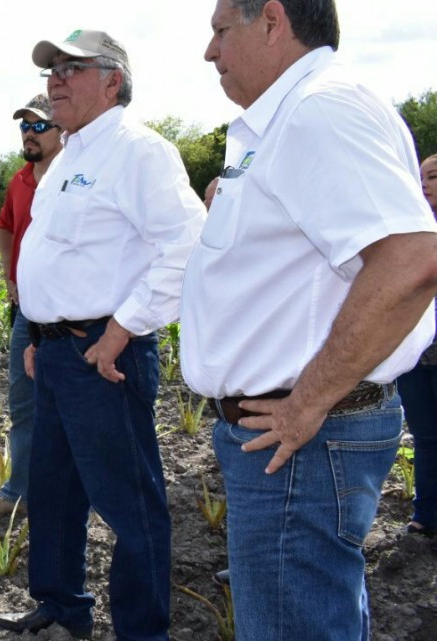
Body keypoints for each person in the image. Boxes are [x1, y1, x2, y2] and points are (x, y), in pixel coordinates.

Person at [182, 2, 437, 639]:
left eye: (219, 32)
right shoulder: (286, 118)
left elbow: (409, 260)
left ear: (271, 19)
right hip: (295, 442)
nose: (209, 53)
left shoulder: (319, 109)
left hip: (299, 441)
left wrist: (307, 402)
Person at [0, 30, 205, 640]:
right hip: (56, 352)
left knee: (129, 502)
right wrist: (38, 333)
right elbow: (57, 258)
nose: (54, 80)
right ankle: (61, 607)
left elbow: (187, 244)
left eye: (71, 68)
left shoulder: (139, 151)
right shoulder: (70, 158)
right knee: (53, 490)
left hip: (104, 355)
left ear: (113, 81)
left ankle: (141, 630)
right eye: (52, 70)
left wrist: (121, 329)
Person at [0, 94, 63, 520]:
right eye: (25, 126)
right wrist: (12, 277)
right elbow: (5, 228)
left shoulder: (76, 175)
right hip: (29, 313)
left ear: (61, 128)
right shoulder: (18, 181)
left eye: (39, 125)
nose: (30, 132)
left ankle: (86, 496)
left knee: (77, 405)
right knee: (24, 404)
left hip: (76, 312)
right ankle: (17, 493)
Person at [398, 153, 437, 539]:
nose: (424, 184)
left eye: (434, 176)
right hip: (415, 355)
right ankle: (426, 515)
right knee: (424, 437)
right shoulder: (410, 229)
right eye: (420, 176)